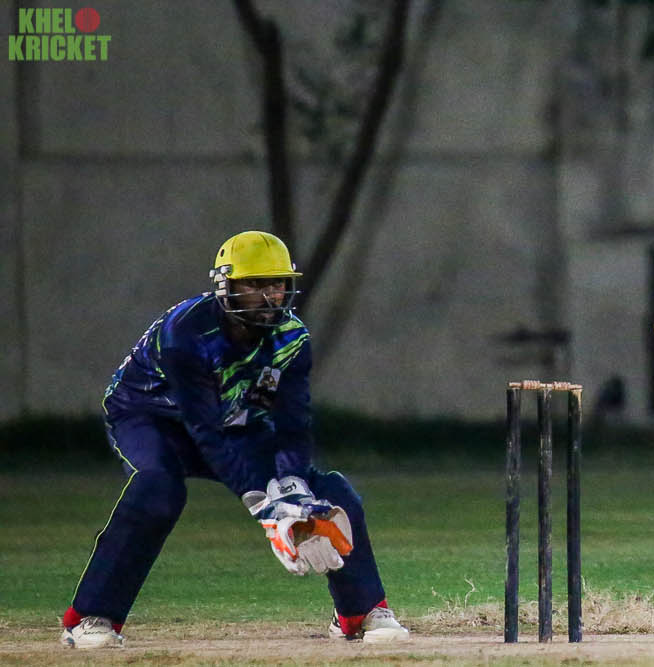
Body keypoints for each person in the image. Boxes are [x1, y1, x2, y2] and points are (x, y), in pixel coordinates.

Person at [59, 231, 410, 648]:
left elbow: (292, 425)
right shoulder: (186, 332)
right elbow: (203, 429)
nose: (269, 296)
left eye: (277, 284)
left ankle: (361, 611)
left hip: (234, 422)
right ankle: (90, 616)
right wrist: (266, 507)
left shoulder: (292, 338)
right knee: (157, 489)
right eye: (255, 284)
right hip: (150, 417)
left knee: (330, 492)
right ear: (225, 287)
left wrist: (292, 487)